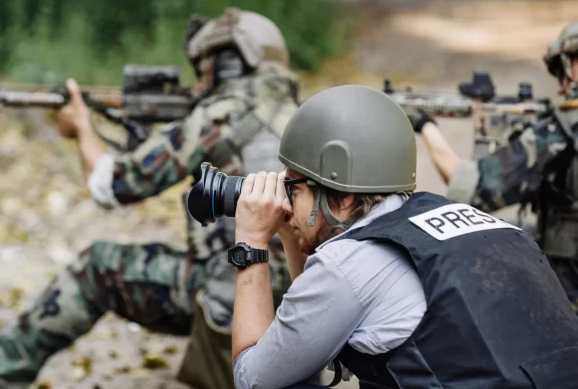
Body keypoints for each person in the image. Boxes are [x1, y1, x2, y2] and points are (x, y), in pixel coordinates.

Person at [0, 8, 298, 389]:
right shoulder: (306, 118)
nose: (201, 80)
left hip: (232, 294)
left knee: (96, 268)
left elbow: (110, 186)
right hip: (298, 302)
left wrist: (82, 128)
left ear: (223, 63)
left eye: (205, 68)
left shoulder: (214, 117)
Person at [229, 84, 578, 389]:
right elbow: (312, 323)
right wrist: (290, 232)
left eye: (293, 187)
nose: (285, 201)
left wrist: (252, 240)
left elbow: (253, 378)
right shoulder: (465, 220)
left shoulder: (349, 265)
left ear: (344, 197)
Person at [401, 20, 578, 313]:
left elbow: (469, 188)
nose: (560, 86)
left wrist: (424, 125)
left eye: (564, 70)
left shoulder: (556, 135)